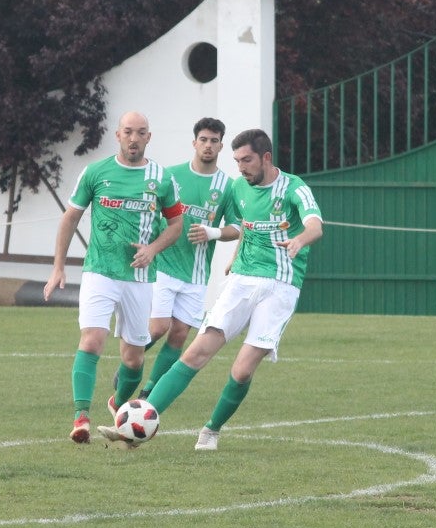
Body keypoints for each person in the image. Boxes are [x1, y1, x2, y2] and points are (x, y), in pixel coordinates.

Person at [100, 128, 323, 450]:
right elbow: (243, 227)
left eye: (247, 160)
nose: (241, 167)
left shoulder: (294, 188)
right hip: (241, 280)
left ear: (266, 158)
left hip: (280, 286)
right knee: (196, 352)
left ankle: (211, 430)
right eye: (237, 161)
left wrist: (300, 239)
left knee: (242, 370)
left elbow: (315, 225)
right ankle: (135, 426)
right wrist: (234, 258)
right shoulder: (239, 187)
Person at [43, 111, 184, 443]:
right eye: (128, 132)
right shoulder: (95, 172)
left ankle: (119, 403)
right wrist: (58, 266)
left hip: (139, 277)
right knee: (92, 339)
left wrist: (153, 249)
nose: (134, 138)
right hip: (100, 271)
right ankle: (81, 418)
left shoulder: (162, 179)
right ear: (118, 135)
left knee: (133, 358)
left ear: (149, 137)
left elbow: (177, 225)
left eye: (141, 132)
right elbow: (70, 218)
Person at [131, 117, 239, 404]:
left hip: (196, 274)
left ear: (221, 146)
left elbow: (237, 227)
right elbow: (150, 210)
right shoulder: (172, 176)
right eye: (203, 140)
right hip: (164, 265)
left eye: (214, 141)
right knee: (158, 327)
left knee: (179, 335)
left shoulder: (226, 186)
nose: (208, 145)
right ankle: (129, 365)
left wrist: (213, 232)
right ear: (194, 143)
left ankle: (149, 390)